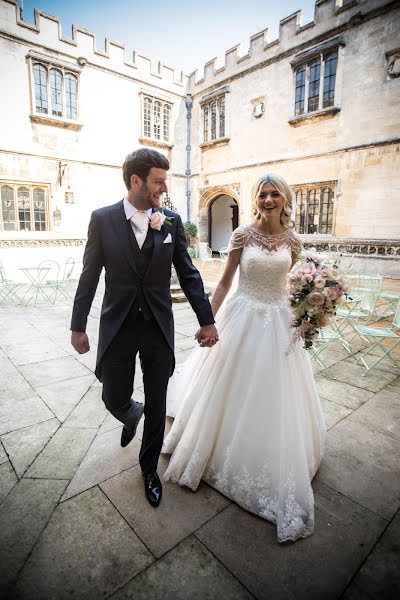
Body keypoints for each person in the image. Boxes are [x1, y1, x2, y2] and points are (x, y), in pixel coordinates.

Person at [162, 173, 326, 543]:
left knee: (276, 393)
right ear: (257, 199)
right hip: (243, 315)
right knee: (228, 386)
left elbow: (290, 285)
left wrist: (308, 313)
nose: (268, 200)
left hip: (280, 323)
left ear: (284, 199)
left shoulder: (294, 242)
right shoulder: (242, 236)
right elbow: (223, 283)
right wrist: (208, 321)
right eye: (263, 195)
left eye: (274, 194)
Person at [70, 148, 218, 508]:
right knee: (112, 395)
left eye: (165, 181)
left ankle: (148, 469)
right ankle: (128, 412)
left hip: (156, 329)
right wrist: (78, 326)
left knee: (157, 404)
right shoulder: (102, 220)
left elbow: (188, 274)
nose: (164, 188)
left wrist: (207, 319)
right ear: (136, 181)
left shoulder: (170, 221)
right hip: (118, 327)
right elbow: (89, 276)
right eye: (158, 181)